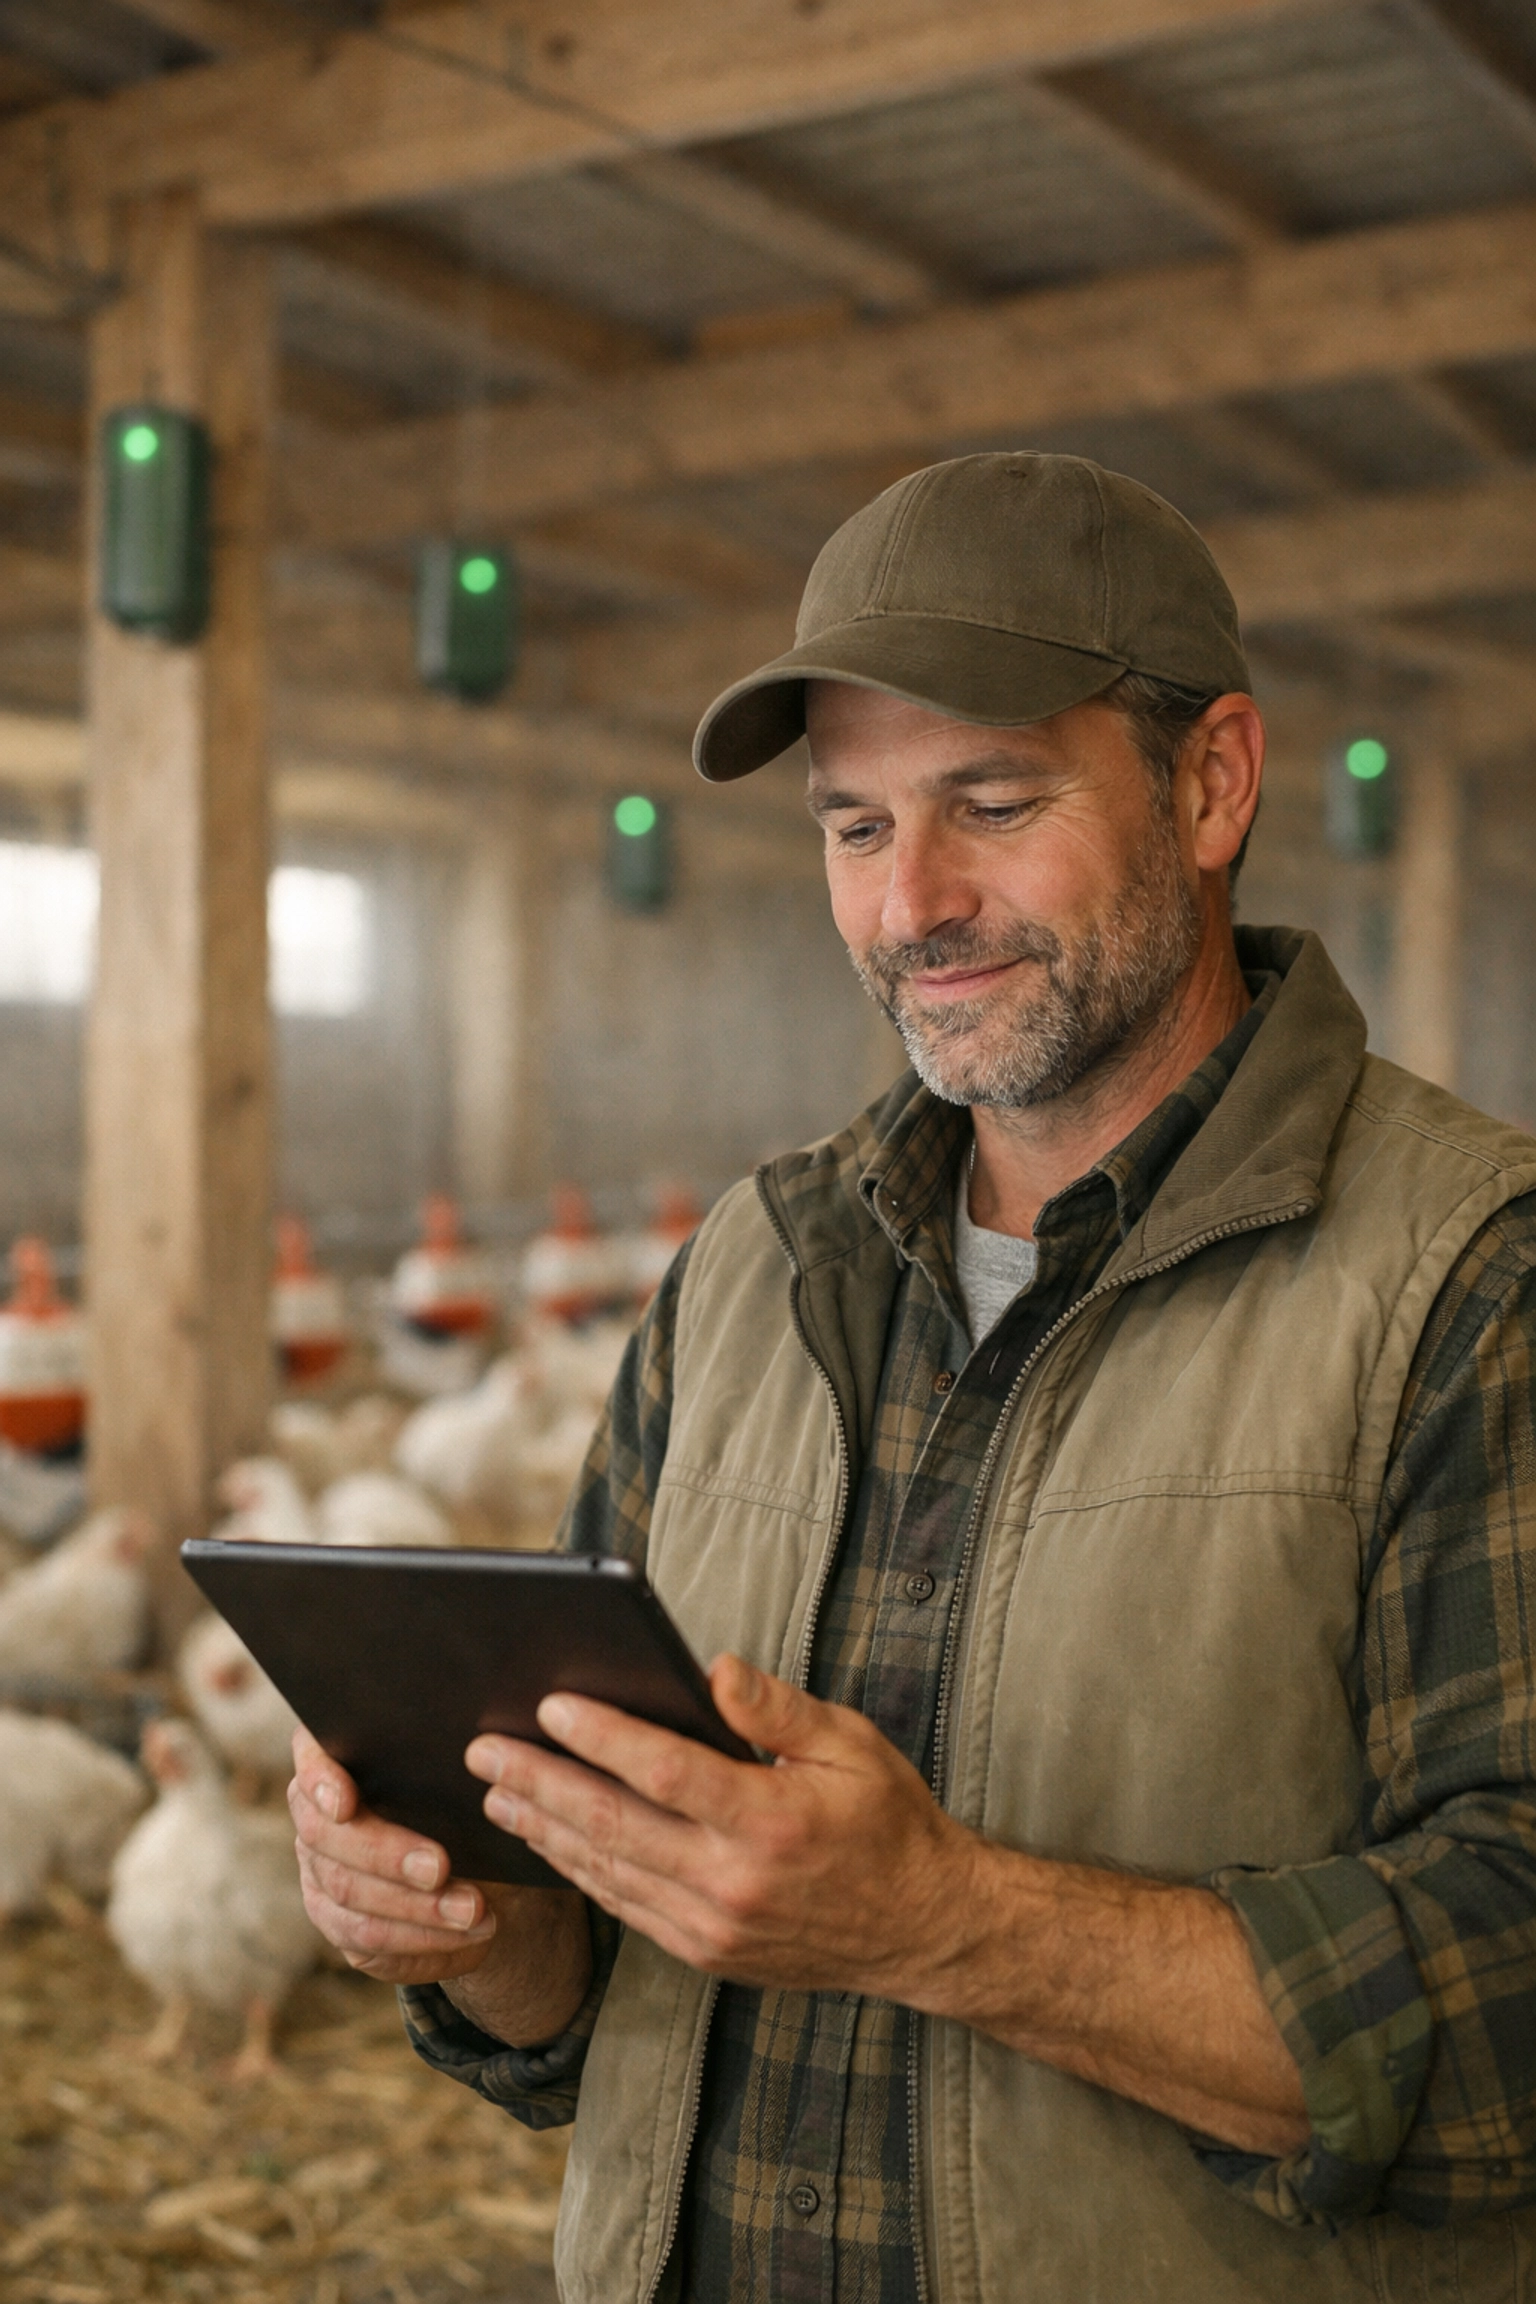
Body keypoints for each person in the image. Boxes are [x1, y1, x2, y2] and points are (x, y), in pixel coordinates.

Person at [291, 453, 1536, 2302]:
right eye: (855, 827)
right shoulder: (748, 1271)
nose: (913, 904)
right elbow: (589, 1987)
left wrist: (952, 1926)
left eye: (993, 801)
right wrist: (475, 1920)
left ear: (1214, 786)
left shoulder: (1470, 1275)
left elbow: (1510, 1991)